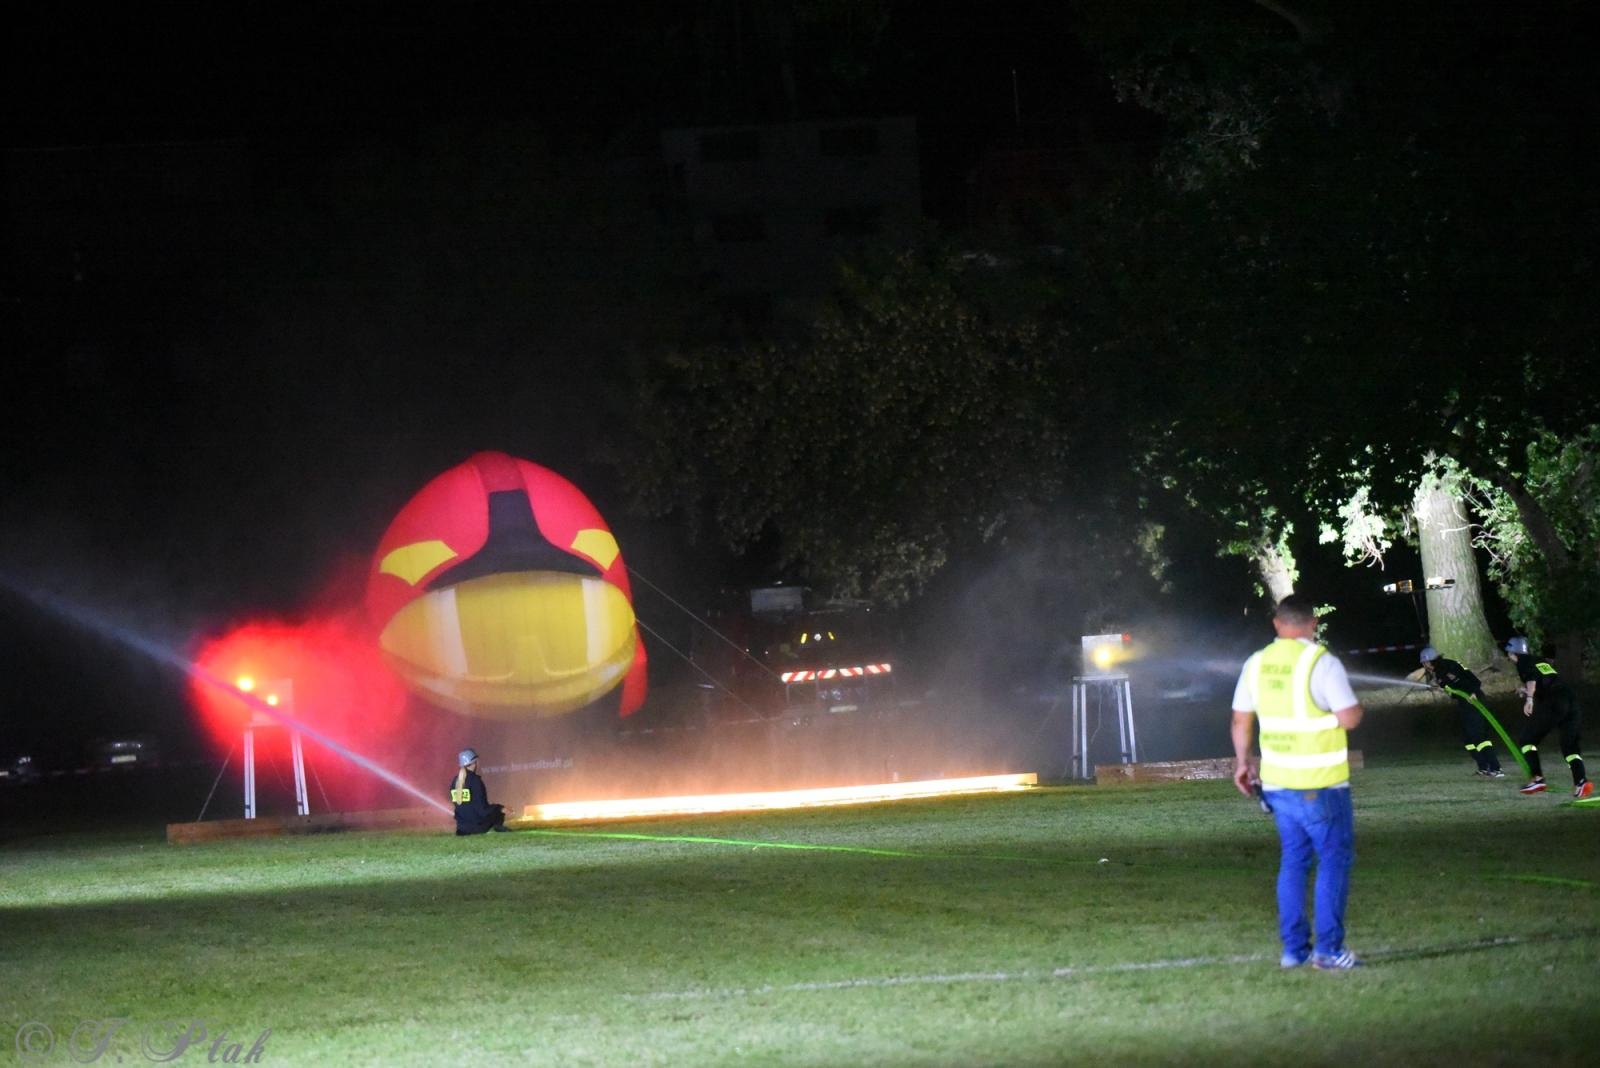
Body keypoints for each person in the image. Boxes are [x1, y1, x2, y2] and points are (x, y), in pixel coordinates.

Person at [1232, 595, 1365, 970]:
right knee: (1334, 860)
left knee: (1293, 861)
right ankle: (1328, 950)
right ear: (1314, 622)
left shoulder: (1256, 664)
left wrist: (1243, 763)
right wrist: (1356, 709)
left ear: (1277, 623)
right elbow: (1349, 718)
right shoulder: (1321, 662)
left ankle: (1294, 951)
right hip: (1321, 784)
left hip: (1277, 783)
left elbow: (1240, 720)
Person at [1503, 637, 1591, 798]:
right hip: (1570, 699)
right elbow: (1543, 679)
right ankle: (1581, 781)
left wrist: (1529, 699)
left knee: (1527, 740)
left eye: (1508, 653)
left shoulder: (1522, 661)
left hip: (1555, 701)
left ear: (1512, 652)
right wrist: (1526, 690)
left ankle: (1537, 779)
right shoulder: (1539, 660)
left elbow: (1531, 679)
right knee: (1569, 746)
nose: (1508, 657)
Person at [1419, 646, 1504, 778]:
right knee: (1468, 739)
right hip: (1465, 703)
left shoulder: (1447, 667)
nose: (1425, 666)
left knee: (1479, 737)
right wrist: (1441, 687)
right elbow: (1453, 689)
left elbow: (1472, 681)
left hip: (1473, 701)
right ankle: (1484, 767)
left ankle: (1496, 768)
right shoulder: (1440, 669)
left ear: (1431, 661)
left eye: (1425, 663)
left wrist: (1472, 692)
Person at [449, 748, 510, 834]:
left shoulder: (455, 781)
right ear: (474, 763)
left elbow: (460, 808)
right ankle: (496, 829)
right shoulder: (475, 781)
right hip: (477, 827)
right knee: (498, 812)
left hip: (462, 829)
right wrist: (500, 808)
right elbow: (483, 810)